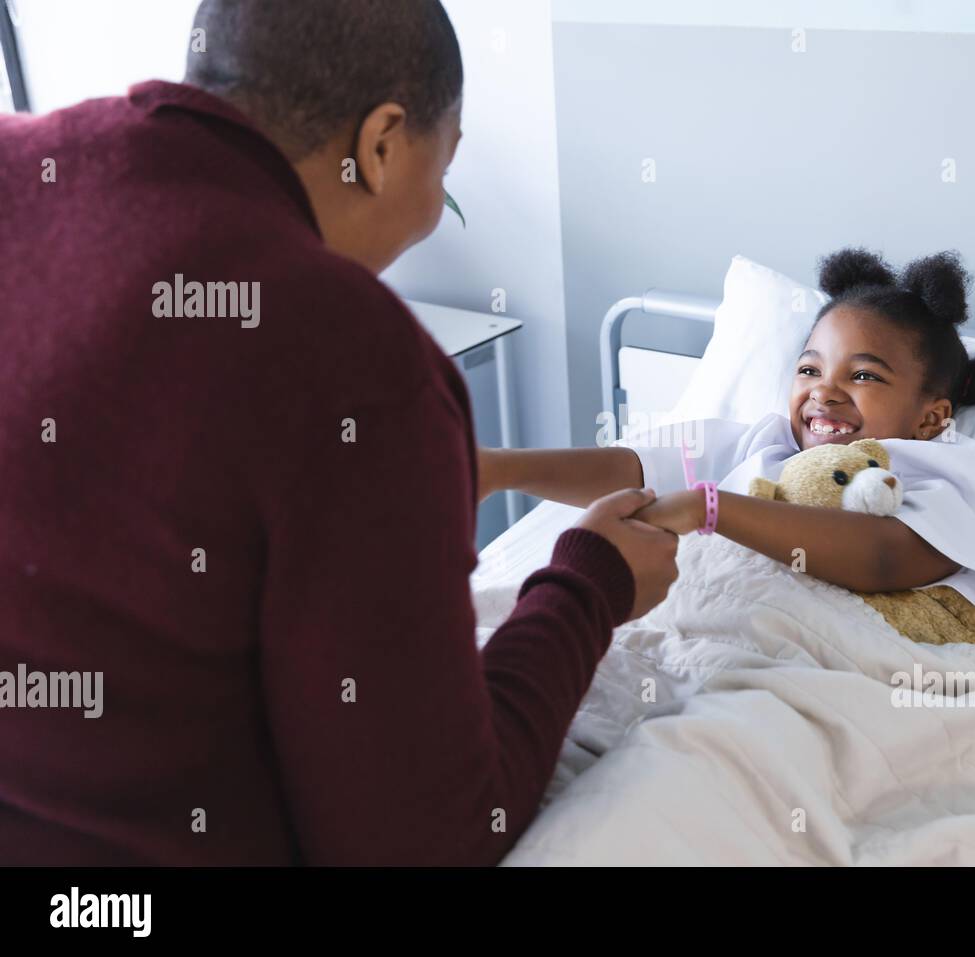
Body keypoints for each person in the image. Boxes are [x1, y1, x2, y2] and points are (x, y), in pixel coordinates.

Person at [0, 0, 678, 865]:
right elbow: (424, 838)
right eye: (448, 158)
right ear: (383, 144)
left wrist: (464, 473)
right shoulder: (350, 351)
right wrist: (589, 584)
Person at [481, 248, 975, 630]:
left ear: (931, 417)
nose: (823, 393)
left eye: (864, 376)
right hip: (715, 625)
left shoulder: (948, 467)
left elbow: (886, 557)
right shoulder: (765, 445)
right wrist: (500, 469)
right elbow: (633, 470)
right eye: (809, 369)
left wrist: (708, 509)